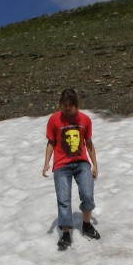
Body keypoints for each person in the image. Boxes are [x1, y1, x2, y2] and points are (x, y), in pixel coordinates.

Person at [43, 89, 100, 248]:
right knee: (63, 199)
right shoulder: (54, 119)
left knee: (88, 194)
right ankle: (66, 234)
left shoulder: (85, 120)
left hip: (81, 163)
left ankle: (87, 224)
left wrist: (95, 164)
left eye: (70, 105)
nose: (67, 108)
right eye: (64, 105)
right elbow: (51, 143)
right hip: (61, 165)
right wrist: (47, 162)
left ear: (77, 105)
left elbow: (88, 143)